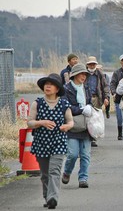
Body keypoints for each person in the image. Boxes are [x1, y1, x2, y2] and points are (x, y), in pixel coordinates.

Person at [27, 73, 74, 209]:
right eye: (46, 84)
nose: (48, 86)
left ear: (57, 89)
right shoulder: (37, 103)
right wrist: (41, 122)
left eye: (52, 84)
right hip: (41, 143)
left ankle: (53, 197)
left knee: (54, 171)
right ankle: (47, 196)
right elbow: (30, 122)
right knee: (45, 174)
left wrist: (67, 126)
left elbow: (71, 121)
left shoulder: (64, 104)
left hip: (58, 142)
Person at [61, 63, 93, 188]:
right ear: (74, 75)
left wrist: (90, 107)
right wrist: (81, 109)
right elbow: (65, 106)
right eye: (81, 74)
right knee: (73, 154)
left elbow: (90, 102)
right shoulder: (66, 89)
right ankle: (67, 172)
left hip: (86, 126)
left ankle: (83, 178)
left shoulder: (86, 88)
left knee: (85, 155)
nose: (83, 76)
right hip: (72, 126)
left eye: (85, 74)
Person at [86, 56, 110, 147]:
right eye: (90, 64)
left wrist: (106, 97)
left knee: (95, 118)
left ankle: (93, 138)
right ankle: (87, 136)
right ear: (87, 64)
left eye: (93, 64)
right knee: (87, 118)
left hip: (97, 98)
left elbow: (105, 86)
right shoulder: (83, 73)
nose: (92, 66)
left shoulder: (100, 73)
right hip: (86, 98)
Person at [110, 54, 123, 140]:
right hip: (119, 96)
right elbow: (112, 84)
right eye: (122, 61)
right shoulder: (116, 72)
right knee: (119, 116)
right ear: (120, 62)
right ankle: (120, 133)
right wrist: (114, 93)